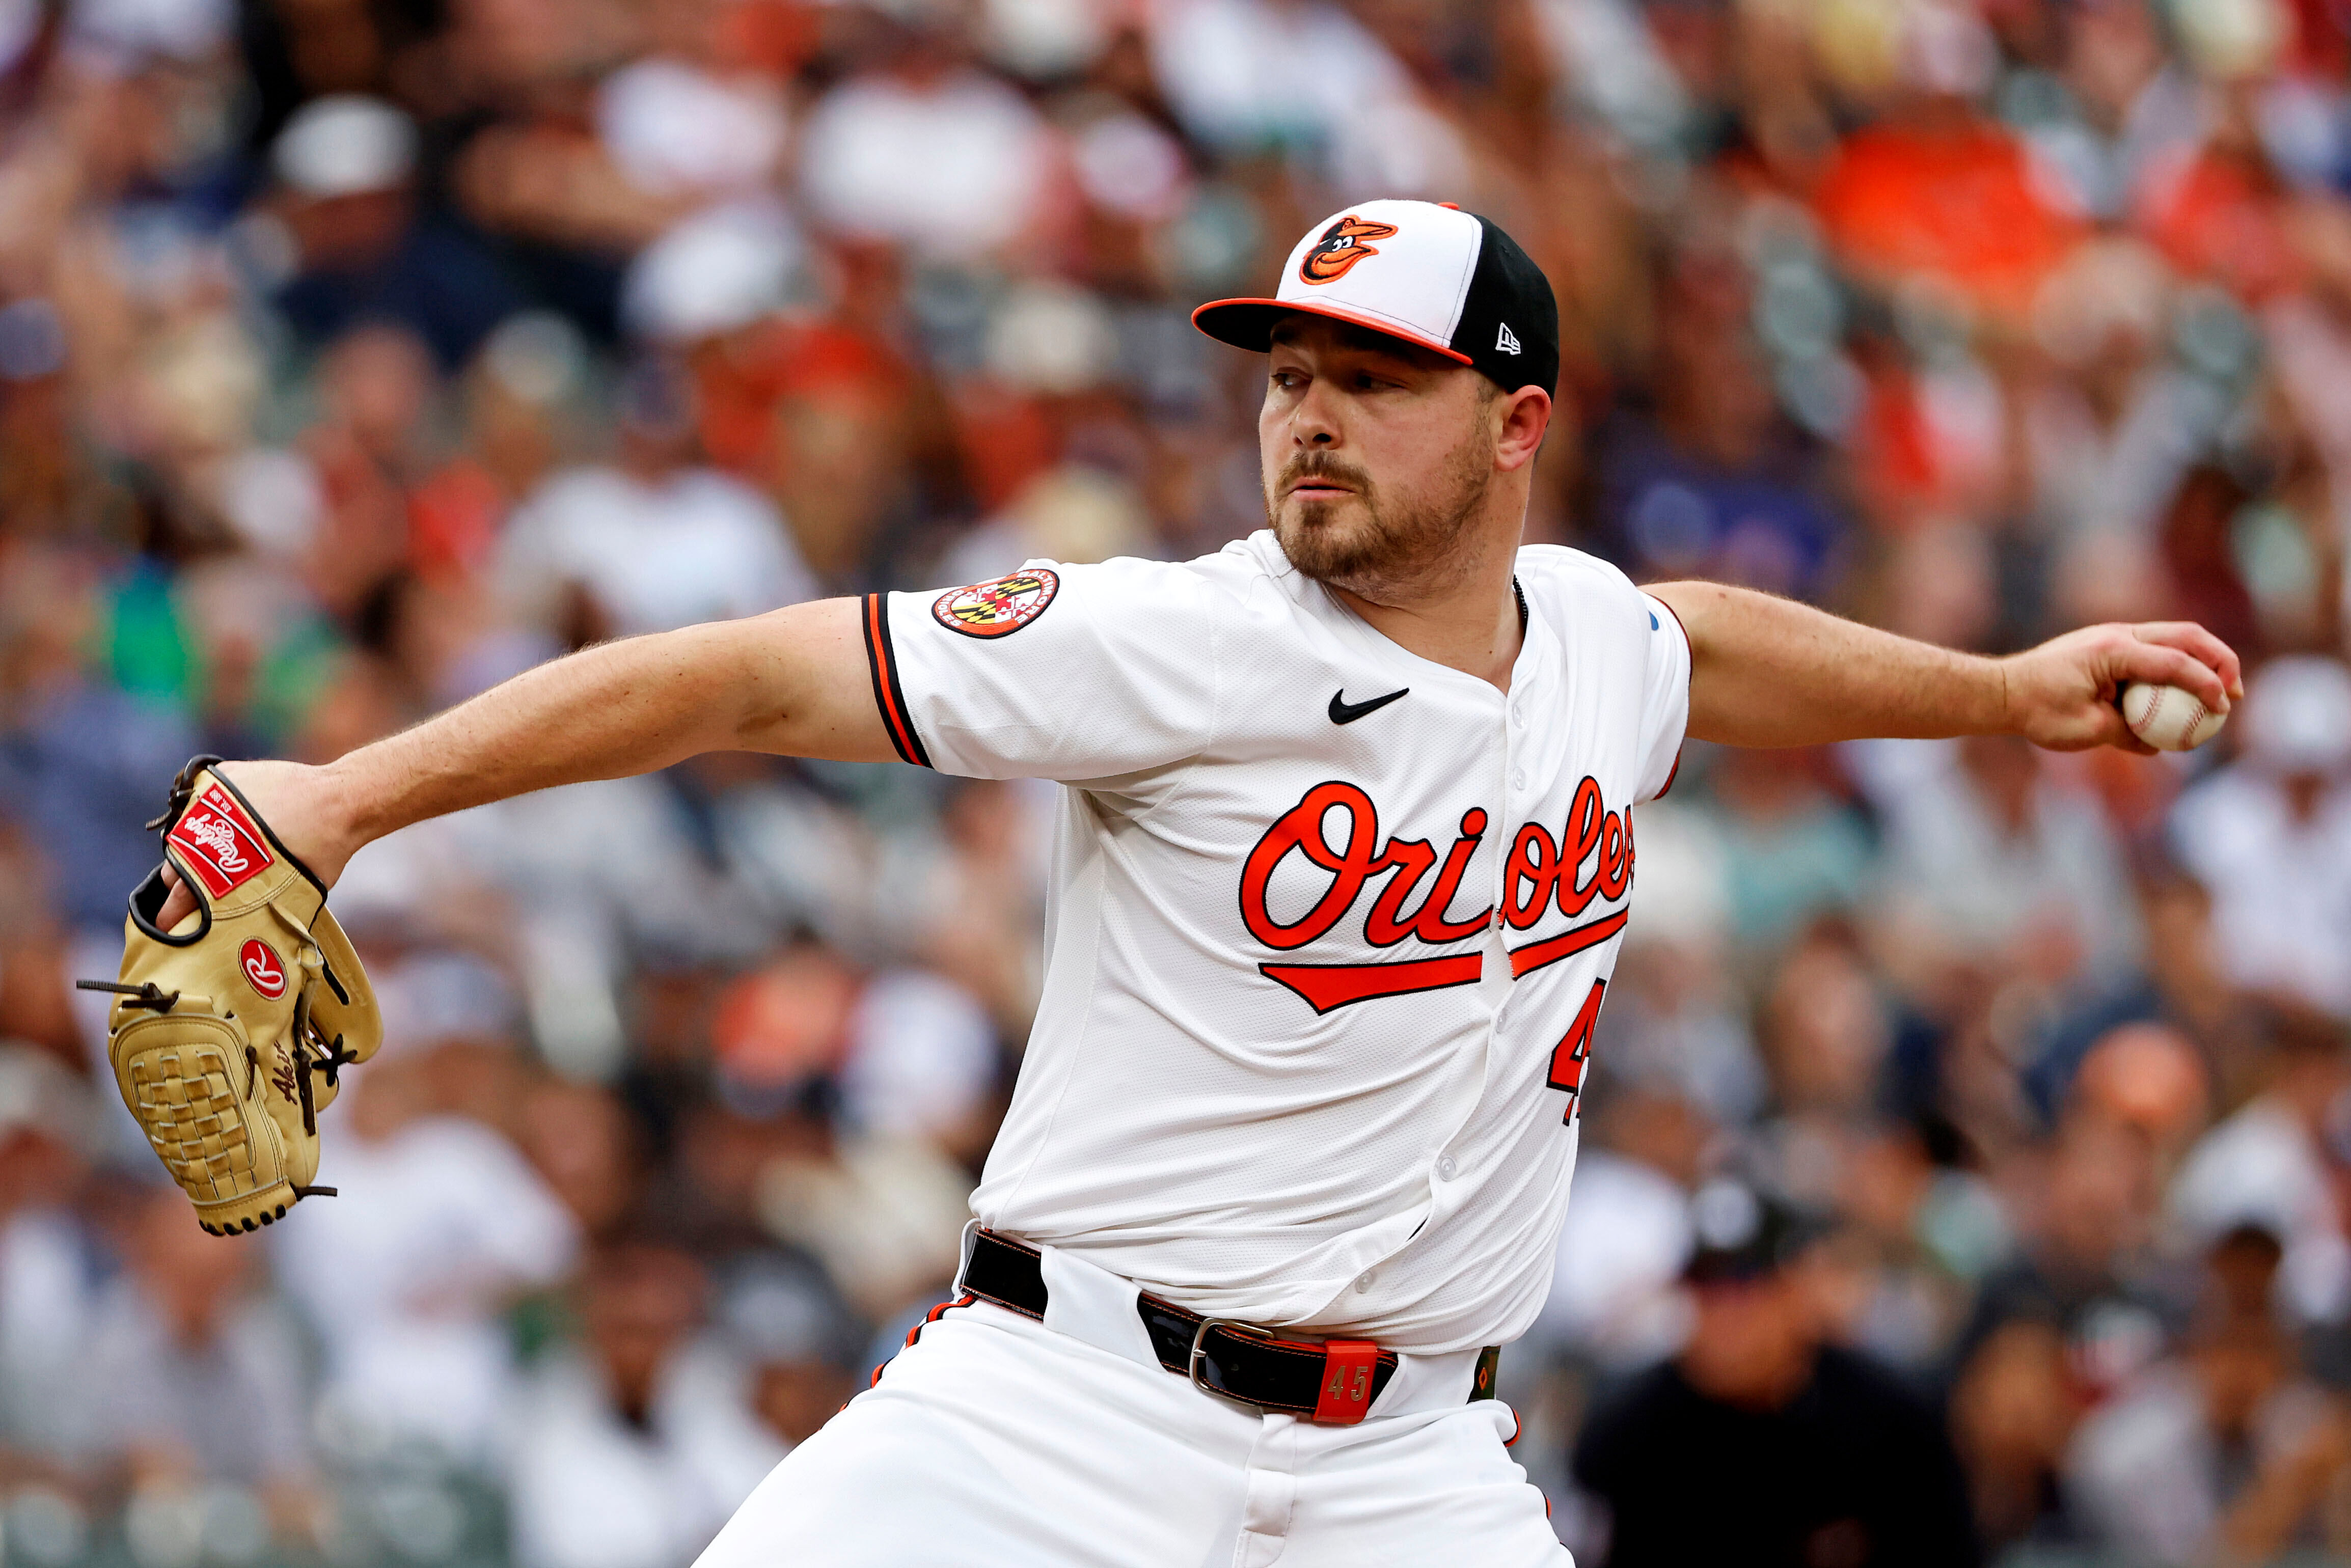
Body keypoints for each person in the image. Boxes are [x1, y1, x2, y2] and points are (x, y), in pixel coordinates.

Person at [142, 199, 2240, 1564]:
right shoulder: (1183, 635)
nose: (1306, 417)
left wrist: (1993, 691)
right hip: (1051, 1410)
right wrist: (345, 796)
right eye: (1287, 378)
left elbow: (1701, 635)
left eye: (1370, 382)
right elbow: (756, 672)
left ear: (1511, 425)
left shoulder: (1595, 642)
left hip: (1408, 1469)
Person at [1571, 1181, 1979, 1566]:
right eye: (1706, 1285)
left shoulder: (1892, 1426)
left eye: (1747, 1282)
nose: (1726, 1315)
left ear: (1798, 1288)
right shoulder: (1627, 1437)